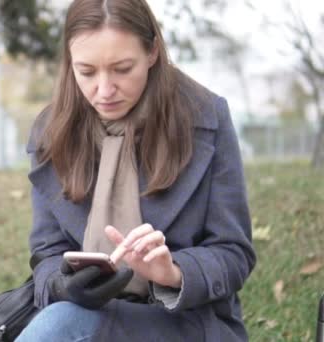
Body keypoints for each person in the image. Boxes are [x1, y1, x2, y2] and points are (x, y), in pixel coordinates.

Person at [15, 0, 256, 341]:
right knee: (64, 320)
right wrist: (65, 284)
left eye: (123, 68)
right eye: (86, 72)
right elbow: (46, 254)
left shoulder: (206, 118)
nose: (104, 90)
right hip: (84, 315)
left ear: (153, 52)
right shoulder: (51, 132)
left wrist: (172, 272)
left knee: (62, 325)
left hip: (183, 325)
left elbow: (235, 253)